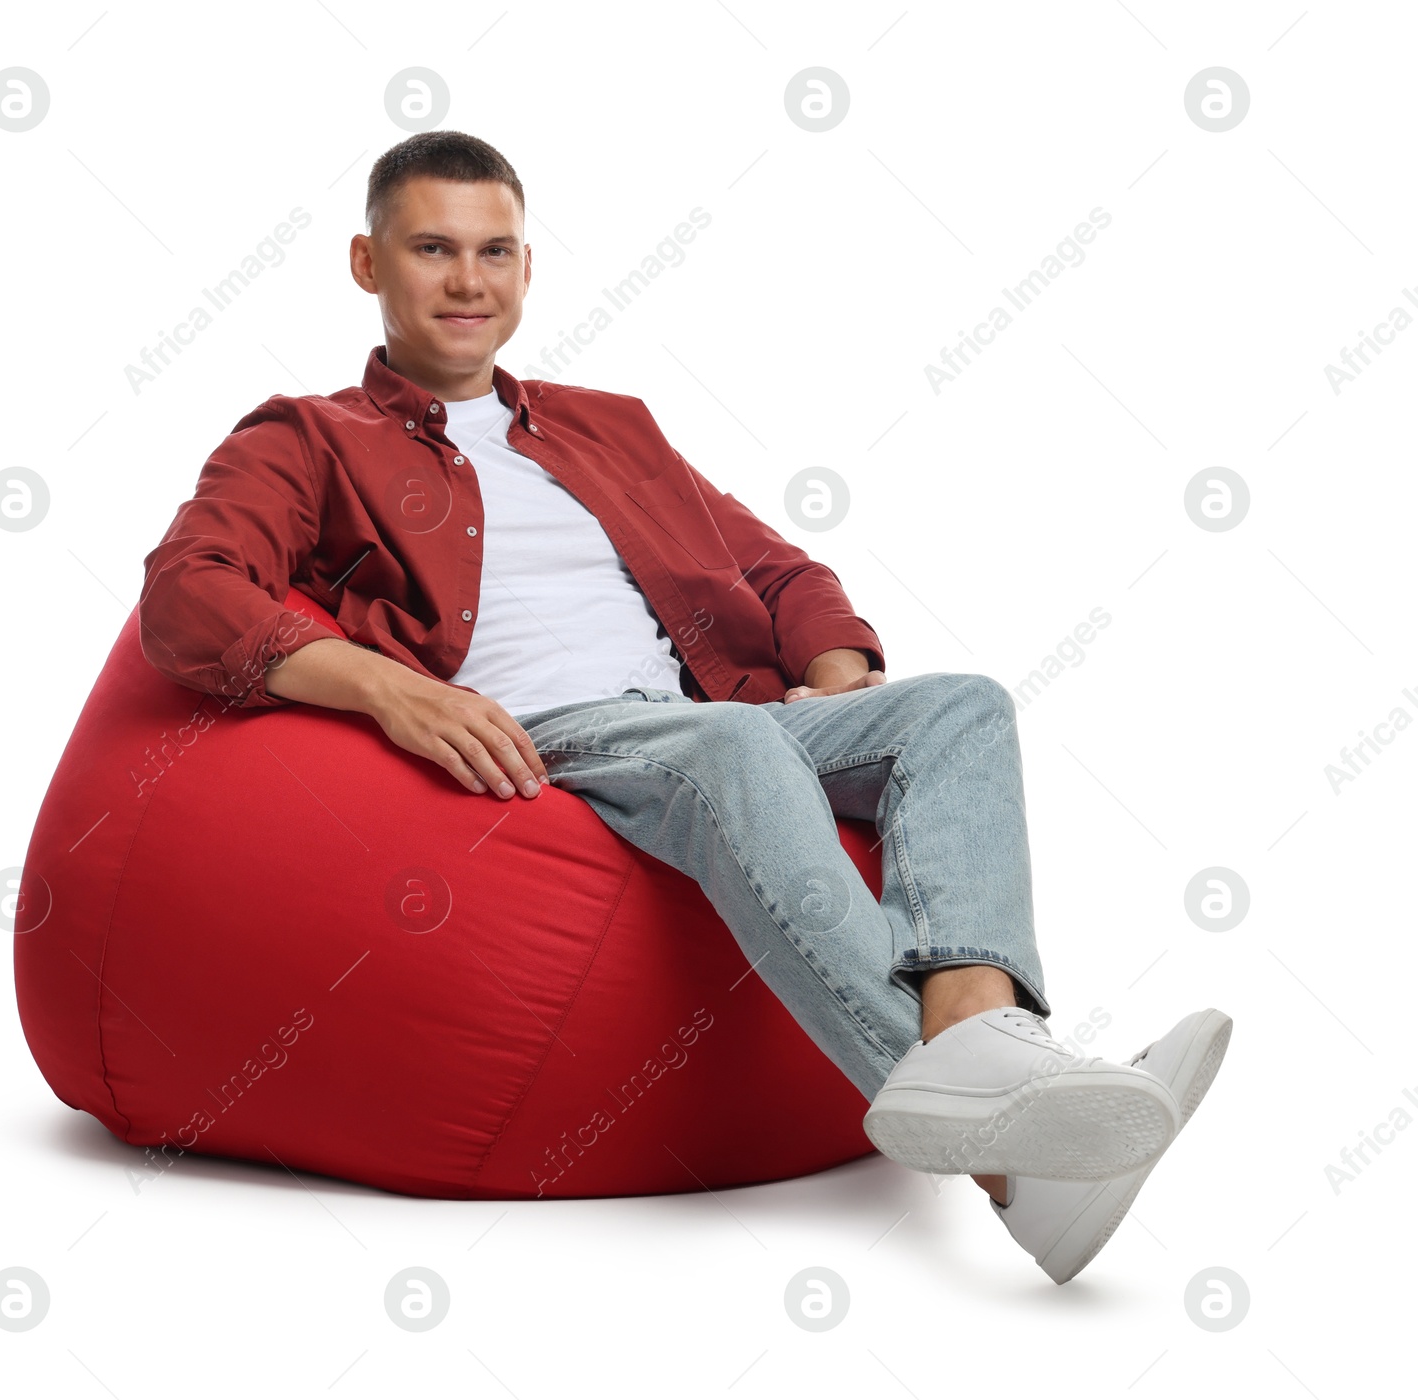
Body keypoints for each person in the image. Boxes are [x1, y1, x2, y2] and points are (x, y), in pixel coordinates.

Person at [138, 129, 1231, 1284]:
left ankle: (989, 1063)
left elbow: (780, 573)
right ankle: (1015, 1134)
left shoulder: (610, 426)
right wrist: (387, 688)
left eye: (496, 249)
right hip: (551, 737)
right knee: (730, 748)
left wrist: (833, 685)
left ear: (525, 264)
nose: (469, 280)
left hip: (712, 714)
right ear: (368, 263)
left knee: (956, 707)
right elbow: (189, 590)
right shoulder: (308, 436)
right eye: (432, 248)